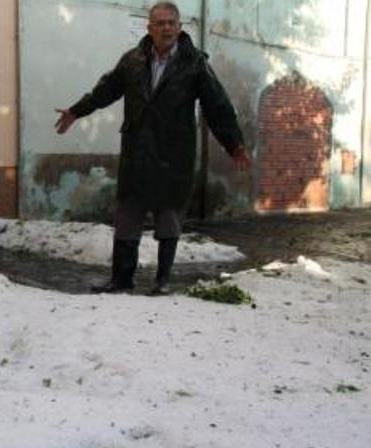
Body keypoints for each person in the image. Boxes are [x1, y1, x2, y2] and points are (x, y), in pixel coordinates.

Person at [55, 1, 250, 295]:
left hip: (174, 155)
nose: (166, 28)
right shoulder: (132, 60)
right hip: (137, 152)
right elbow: (105, 90)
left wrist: (234, 143)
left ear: (180, 27)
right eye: (160, 23)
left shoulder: (194, 63)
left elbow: (217, 106)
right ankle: (121, 279)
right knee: (126, 217)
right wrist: (76, 111)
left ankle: (162, 280)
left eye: (172, 22)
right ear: (150, 28)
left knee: (168, 217)